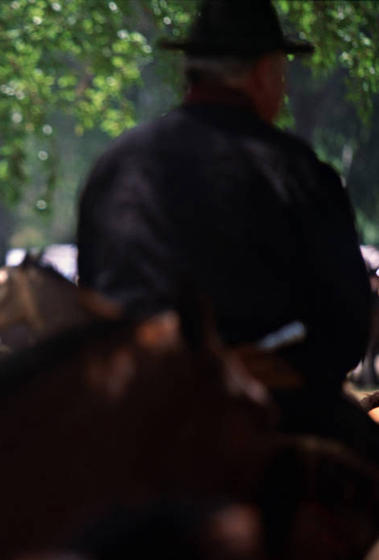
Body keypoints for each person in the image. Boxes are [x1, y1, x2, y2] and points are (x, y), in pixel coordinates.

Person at [76, 0, 377, 457]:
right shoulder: (297, 171)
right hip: (270, 418)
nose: (285, 88)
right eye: (281, 73)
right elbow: (346, 326)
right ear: (261, 73)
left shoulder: (117, 164)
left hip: (131, 415)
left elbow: (92, 300)